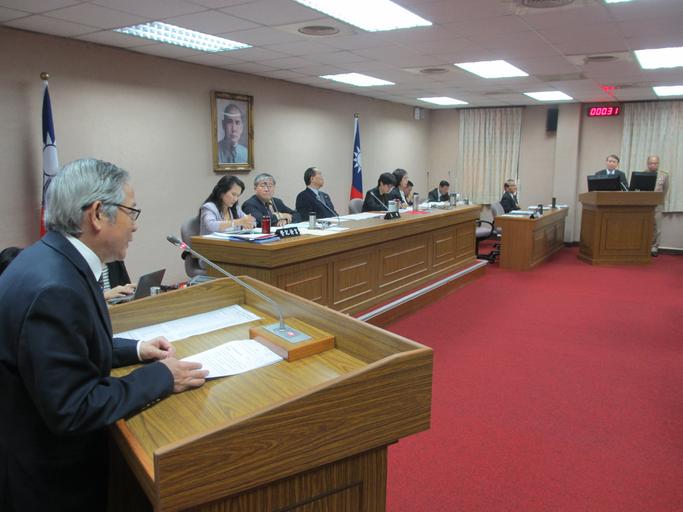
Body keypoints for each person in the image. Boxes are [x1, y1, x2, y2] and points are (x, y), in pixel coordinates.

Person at [0, 158, 208, 511]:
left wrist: (137, 349)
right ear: (98, 214)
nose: (135, 225)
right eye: (131, 211)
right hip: (50, 484)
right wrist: (161, 376)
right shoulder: (55, 287)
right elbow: (74, 408)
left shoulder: (51, 259)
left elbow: (71, 346)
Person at [644, 155, 669, 256]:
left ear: (658, 164)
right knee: (645, 225)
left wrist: (659, 200)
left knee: (657, 227)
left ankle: (654, 247)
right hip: (645, 204)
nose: (653, 165)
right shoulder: (643, 174)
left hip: (657, 204)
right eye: (651, 163)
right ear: (647, 164)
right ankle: (643, 246)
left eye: (655, 163)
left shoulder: (664, 175)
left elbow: (665, 190)